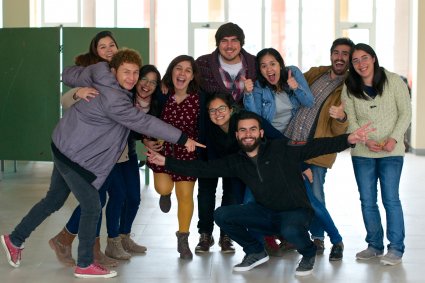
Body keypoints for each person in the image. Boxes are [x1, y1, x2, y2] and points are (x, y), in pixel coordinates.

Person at [0, 48, 203, 279]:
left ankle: (14, 239)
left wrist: (80, 84)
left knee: (54, 200)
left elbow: (68, 74)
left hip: (63, 145)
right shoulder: (115, 99)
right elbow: (144, 122)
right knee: (93, 205)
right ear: (113, 70)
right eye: (126, 72)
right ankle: (85, 263)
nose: (132, 78)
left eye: (135, 72)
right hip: (74, 155)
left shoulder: (100, 73)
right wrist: (183, 138)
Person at [147, 111, 374, 276]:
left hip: (295, 213)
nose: (248, 134)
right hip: (266, 213)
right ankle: (256, 251)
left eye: (253, 129)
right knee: (222, 215)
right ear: (237, 135)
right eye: (243, 130)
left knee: (290, 228)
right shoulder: (236, 162)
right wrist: (166, 162)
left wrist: (348, 139)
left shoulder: (281, 148)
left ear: (261, 132)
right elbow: (203, 169)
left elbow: (315, 146)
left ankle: (308, 253)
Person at [49, 30, 119, 268]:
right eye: (103, 47)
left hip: (116, 147)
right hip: (91, 151)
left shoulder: (120, 70)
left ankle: (90, 245)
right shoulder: (91, 73)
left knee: (109, 197)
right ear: (95, 52)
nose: (109, 49)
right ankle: (78, 244)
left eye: (112, 45)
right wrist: (78, 93)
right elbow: (65, 100)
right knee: (95, 199)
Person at [284, 37, 355, 260]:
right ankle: (292, 235)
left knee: (314, 197)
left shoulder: (349, 88)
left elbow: (338, 128)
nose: (340, 57)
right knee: (291, 194)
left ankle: (320, 238)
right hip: (290, 142)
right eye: (337, 52)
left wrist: (342, 117)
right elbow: (290, 91)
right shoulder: (316, 73)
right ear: (331, 54)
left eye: (345, 54)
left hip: (316, 151)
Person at [342, 43, 411, 265]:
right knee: (368, 200)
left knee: (390, 199)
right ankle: (374, 245)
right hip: (363, 152)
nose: (361, 64)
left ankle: (396, 248)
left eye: (364, 58)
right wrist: (365, 140)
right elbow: (351, 120)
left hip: (392, 151)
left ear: (373, 58)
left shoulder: (394, 81)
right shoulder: (349, 86)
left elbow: (405, 113)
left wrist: (394, 138)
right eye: (356, 61)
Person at [194, 22, 257, 254]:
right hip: (209, 136)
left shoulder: (253, 63)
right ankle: (204, 234)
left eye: (234, 40)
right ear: (217, 43)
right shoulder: (203, 63)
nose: (229, 45)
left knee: (232, 190)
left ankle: (226, 234)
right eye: (224, 40)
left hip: (239, 138)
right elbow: (187, 84)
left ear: (241, 43)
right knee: (206, 189)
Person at [146, 55, 201, 260]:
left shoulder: (199, 98)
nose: (182, 73)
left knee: (185, 195)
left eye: (188, 70)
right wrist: (147, 140)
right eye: (179, 68)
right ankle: (164, 194)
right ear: (172, 71)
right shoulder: (162, 95)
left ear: (192, 76)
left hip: (187, 154)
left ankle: (183, 238)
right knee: (163, 187)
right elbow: (148, 119)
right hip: (163, 150)